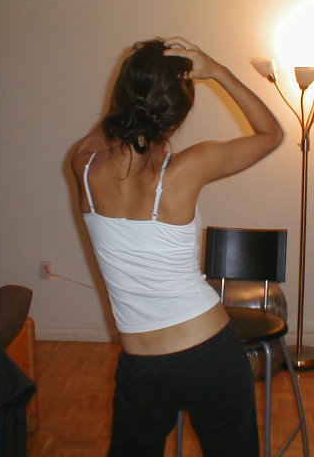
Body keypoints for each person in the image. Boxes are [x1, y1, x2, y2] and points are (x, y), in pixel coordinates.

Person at [71, 37, 283, 457]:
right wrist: (218, 71)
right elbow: (271, 134)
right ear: (178, 112)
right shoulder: (190, 167)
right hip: (209, 351)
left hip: (140, 364)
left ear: (123, 95)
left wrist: (136, 77)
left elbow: (113, 121)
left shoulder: (84, 166)